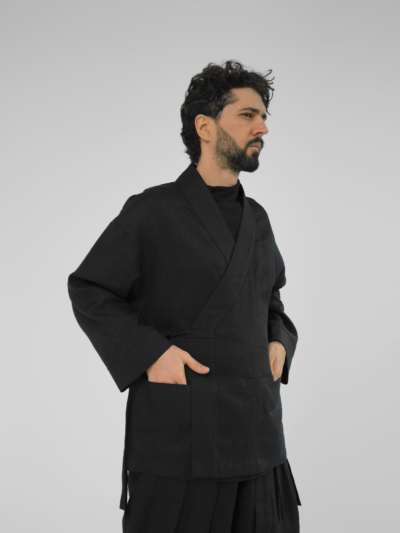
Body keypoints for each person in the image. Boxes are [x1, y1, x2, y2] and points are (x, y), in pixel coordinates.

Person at [67, 59, 302, 532]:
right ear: (205, 127)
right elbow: (90, 288)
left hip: (258, 433)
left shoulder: (258, 219)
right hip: (182, 435)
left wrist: (279, 339)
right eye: (248, 115)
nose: (262, 128)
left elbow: (270, 297)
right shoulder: (151, 211)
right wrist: (151, 354)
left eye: (263, 117)